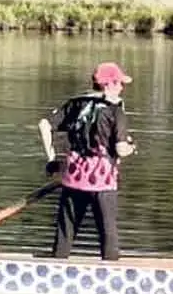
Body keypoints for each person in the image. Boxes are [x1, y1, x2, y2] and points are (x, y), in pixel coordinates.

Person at [39, 62, 135, 261]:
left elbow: (44, 125)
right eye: (119, 83)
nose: (122, 88)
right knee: (107, 231)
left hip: (73, 176)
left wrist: (52, 159)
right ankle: (112, 272)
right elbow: (120, 149)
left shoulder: (76, 103)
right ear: (109, 85)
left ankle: (57, 265)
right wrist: (132, 148)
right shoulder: (115, 110)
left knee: (66, 229)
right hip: (102, 181)